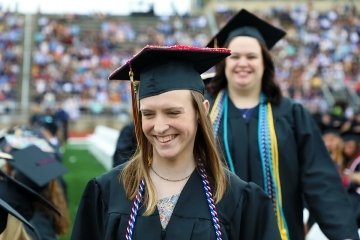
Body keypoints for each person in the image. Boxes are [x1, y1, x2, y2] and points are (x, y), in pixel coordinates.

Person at [72, 45, 281, 239]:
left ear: (202, 112)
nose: (160, 126)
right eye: (148, 114)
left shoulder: (239, 200)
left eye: (173, 112)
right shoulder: (107, 192)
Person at [205, 9, 359, 240]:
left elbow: (319, 180)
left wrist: (344, 234)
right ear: (223, 63)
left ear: (265, 62)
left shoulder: (291, 114)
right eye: (234, 56)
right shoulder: (204, 112)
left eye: (251, 56)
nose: (242, 63)